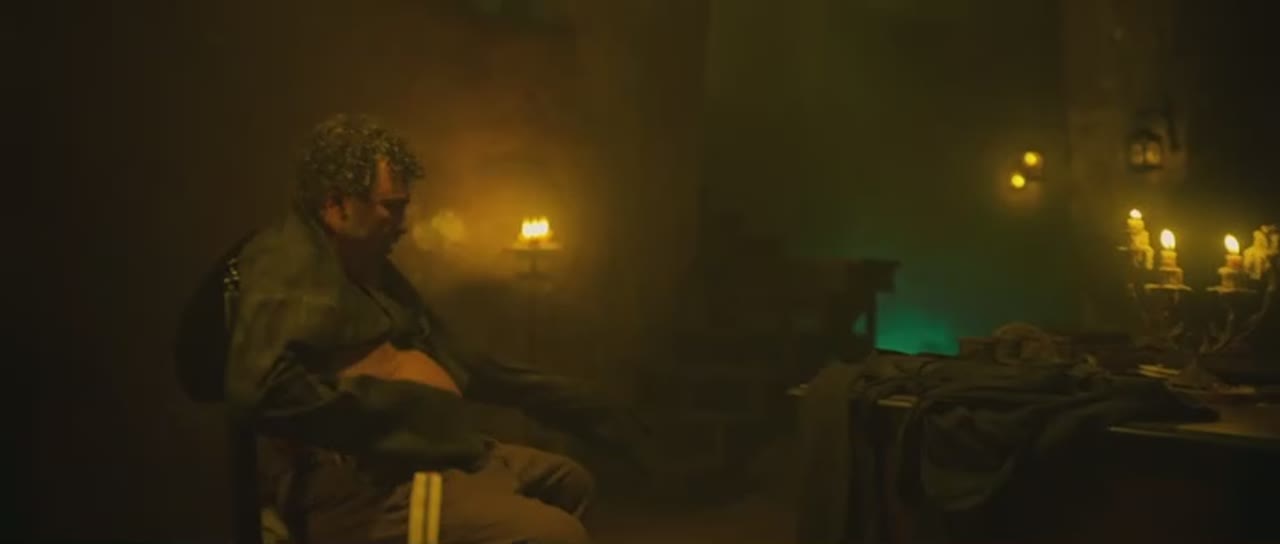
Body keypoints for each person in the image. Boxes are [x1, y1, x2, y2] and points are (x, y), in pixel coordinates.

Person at [222, 114, 647, 544]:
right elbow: (258, 390)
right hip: (367, 484)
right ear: (337, 206)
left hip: (426, 454)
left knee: (569, 482)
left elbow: (462, 360)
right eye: (391, 206)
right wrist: (407, 414)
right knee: (557, 535)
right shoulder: (286, 266)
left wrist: (580, 407)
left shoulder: (368, 270)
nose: (403, 223)